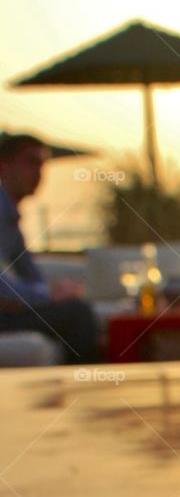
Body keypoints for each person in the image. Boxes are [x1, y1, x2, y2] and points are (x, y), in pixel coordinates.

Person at [0, 133, 99, 363]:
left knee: (75, 309)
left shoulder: (11, 222)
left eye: (42, 165)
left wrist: (54, 291)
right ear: (3, 165)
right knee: (78, 314)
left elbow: (31, 274)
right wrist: (50, 294)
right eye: (30, 162)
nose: (38, 174)